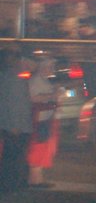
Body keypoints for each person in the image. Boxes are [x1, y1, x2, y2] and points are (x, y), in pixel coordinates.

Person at [26, 54, 60, 188]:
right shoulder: (36, 81)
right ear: (43, 67)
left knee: (42, 148)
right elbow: (33, 98)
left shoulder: (44, 81)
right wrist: (53, 96)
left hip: (45, 119)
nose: (53, 69)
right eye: (50, 66)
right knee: (38, 149)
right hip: (39, 120)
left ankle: (37, 180)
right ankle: (35, 181)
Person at [0, 50, 32, 194]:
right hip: (17, 126)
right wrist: (15, 125)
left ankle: (10, 183)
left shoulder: (6, 78)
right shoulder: (15, 81)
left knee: (10, 156)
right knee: (14, 156)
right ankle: (11, 184)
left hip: (10, 125)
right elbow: (15, 105)